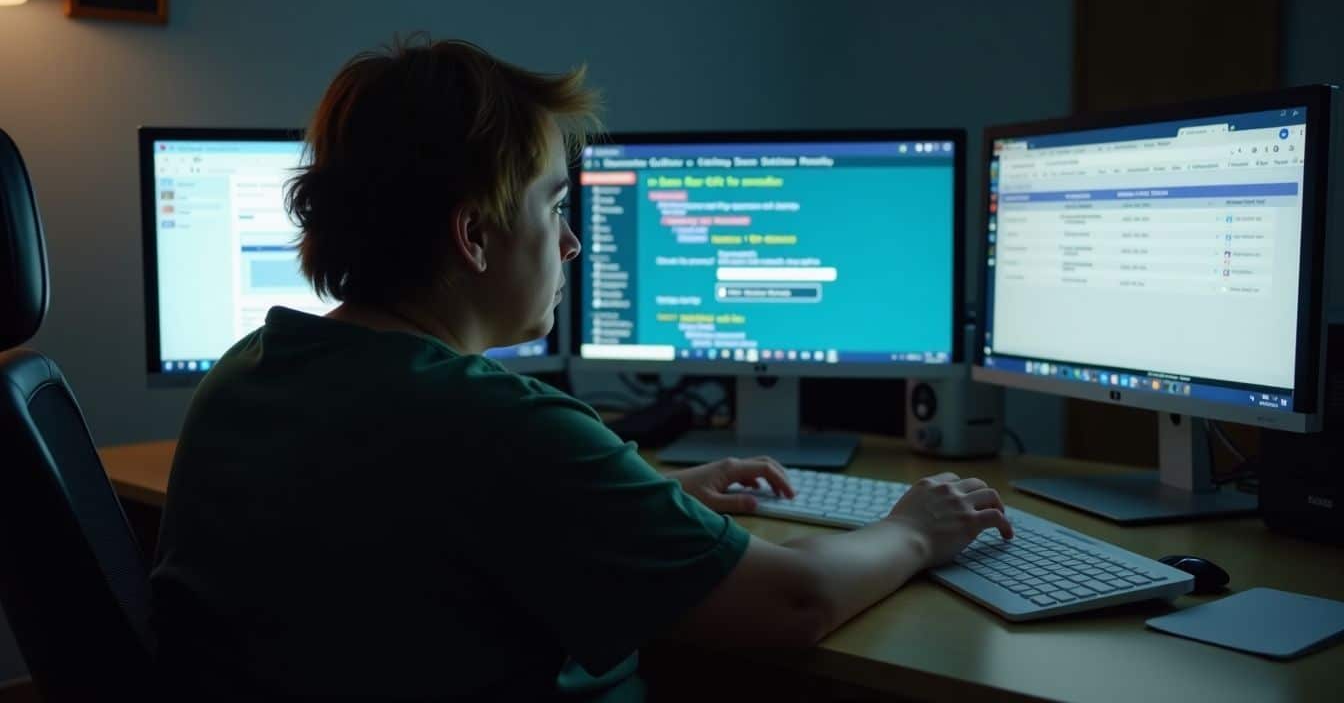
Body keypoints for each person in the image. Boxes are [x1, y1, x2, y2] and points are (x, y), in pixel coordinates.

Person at [150, 36, 1014, 701]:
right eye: (554, 203)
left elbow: (417, 525)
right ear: (475, 234)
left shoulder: (248, 369)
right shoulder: (498, 425)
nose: (570, 242)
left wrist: (637, 496)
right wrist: (914, 528)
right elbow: (794, 603)